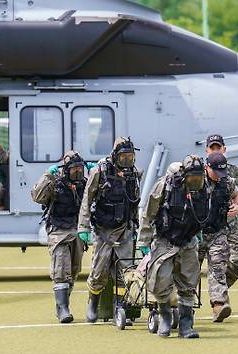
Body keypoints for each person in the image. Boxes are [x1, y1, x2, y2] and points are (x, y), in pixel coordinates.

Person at [137, 155, 208, 338]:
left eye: (198, 177)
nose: (196, 181)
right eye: (192, 177)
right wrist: (144, 240)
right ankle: (165, 318)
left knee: (188, 283)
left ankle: (186, 325)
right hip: (165, 240)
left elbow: (205, 212)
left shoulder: (203, 188)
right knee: (161, 280)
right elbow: (149, 212)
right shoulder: (166, 186)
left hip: (188, 241)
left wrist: (198, 231)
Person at [77, 137, 141, 323]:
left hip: (125, 229)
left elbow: (134, 201)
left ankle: (121, 306)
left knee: (125, 271)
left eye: (130, 156)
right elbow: (87, 199)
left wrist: (135, 224)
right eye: (123, 157)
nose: (127, 160)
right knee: (99, 271)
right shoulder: (100, 171)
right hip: (103, 231)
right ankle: (93, 302)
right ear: (115, 156)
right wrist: (83, 226)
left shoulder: (133, 175)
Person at [31, 151, 88, 323]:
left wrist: (97, 173)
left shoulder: (85, 184)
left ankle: (62, 304)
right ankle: (63, 309)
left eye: (80, 168)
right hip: (58, 231)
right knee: (61, 269)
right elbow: (36, 196)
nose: (77, 172)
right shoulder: (55, 184)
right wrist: (48, 175)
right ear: (65, 170)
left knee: (74, 270)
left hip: (78, 230)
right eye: (74, 169)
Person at [205, 134, 238, 288]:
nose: (215, 151)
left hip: (229, 224)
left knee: (236, 261)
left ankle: (219, 289)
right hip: (205, 225)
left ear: (224, 149)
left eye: (218, 147)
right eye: (212, 148)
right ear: (206, 150)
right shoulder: (199, 172)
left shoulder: (234, 171)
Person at [197, 151, 238, 322]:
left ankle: (219, 305)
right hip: (196, 233)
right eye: (216, 172)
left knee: (218, 269)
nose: (218, 176)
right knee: (190, 272)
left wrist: (237, 206)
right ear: (207, 167)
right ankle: (183, 306)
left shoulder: (227, 182)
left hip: (217, 232)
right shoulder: (195, 180)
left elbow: (236, 195)